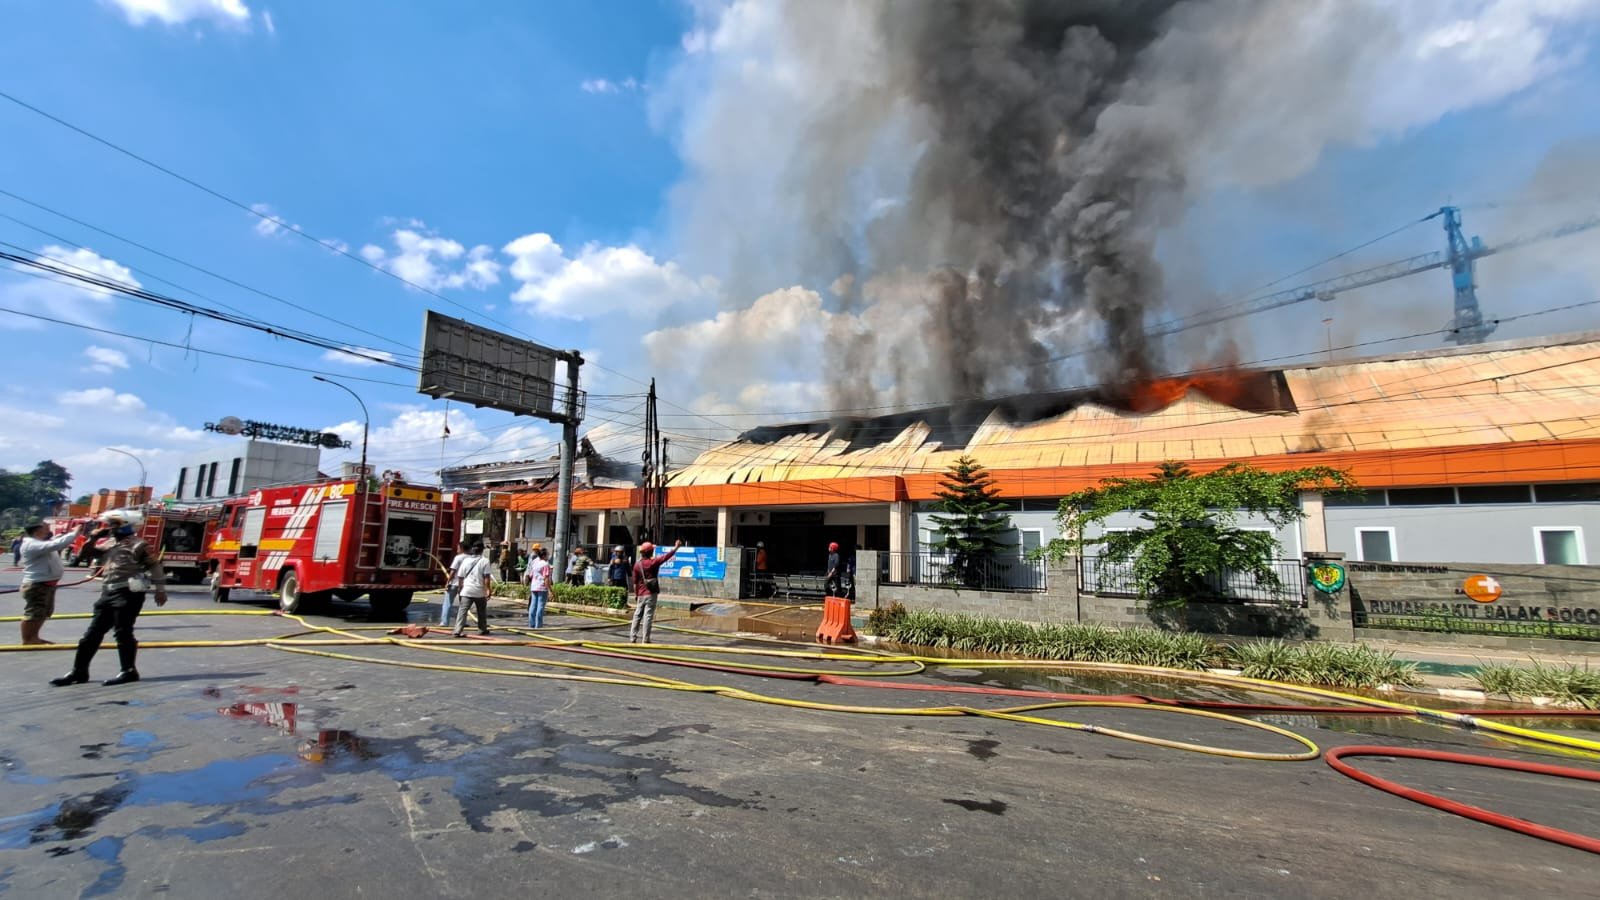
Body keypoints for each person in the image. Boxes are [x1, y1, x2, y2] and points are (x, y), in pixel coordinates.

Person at [50, 513, 167, 687]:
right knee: (91, 634)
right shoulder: (109, 543)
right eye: (110, 525)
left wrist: (160, 590)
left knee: (122, 631)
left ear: (128, 526)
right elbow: (85, 555)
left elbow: (154, 566)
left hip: (128, 592)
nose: (111, 528)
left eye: (115, 525)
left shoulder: (139, 545)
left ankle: (128, 671)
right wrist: (92, 538)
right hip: (108, 592)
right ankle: (79, 671)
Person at [19, 519, 89, 645]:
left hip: (46, 584)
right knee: (33, 613)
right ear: (37, 530)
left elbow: (55, 542)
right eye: (46, 527)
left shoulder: (40, 542)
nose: (49, 529)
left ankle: (34, 637)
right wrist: (74, 533)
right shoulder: (32, 544)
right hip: (37, 585)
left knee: (43, 612)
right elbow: (57, 545)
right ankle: (28, 639)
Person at [629, 539, 681, 644]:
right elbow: (666, 557)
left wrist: (636, 594)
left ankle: (632, 637)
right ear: (650, 552)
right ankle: (645, 639)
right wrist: (676, 547)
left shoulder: (637, 565)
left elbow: (635, 583)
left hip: (641, 594)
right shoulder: (653, 563)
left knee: (637, 615)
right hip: (651, 594)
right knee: (648, 616)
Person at [450, 542, 494, 637]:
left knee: (462, 611)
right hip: (479, 592)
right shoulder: (485, 561)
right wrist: (488, 590)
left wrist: (460, 588)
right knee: (481, 611)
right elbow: (486, 577)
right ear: (482, 550)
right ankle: (482, 629)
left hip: (467, 590)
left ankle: (457, 630)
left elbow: (460, 576)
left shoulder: (465, 561)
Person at [439, 540, 469, 627]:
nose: (457, 549)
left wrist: (448, 581)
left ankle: (444, 622)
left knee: (447, 603)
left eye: (458, 547)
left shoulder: (458, 558)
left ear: (462, 548)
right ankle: (462, 622)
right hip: (465, 585)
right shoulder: (471, 558)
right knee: (464, 605)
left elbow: (453, 571)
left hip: (454, 583)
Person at [525, 546, 552, 629]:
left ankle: (531, 624)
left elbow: (531, 574)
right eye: (547, 555)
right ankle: (538, 625)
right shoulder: (545, 564)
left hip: (534, 586)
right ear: (544, 556)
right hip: (542, 587)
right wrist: (550, 590)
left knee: (533, 605)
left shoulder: (535, 562)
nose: (548, 556)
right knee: (540, 606)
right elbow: (546, 578)